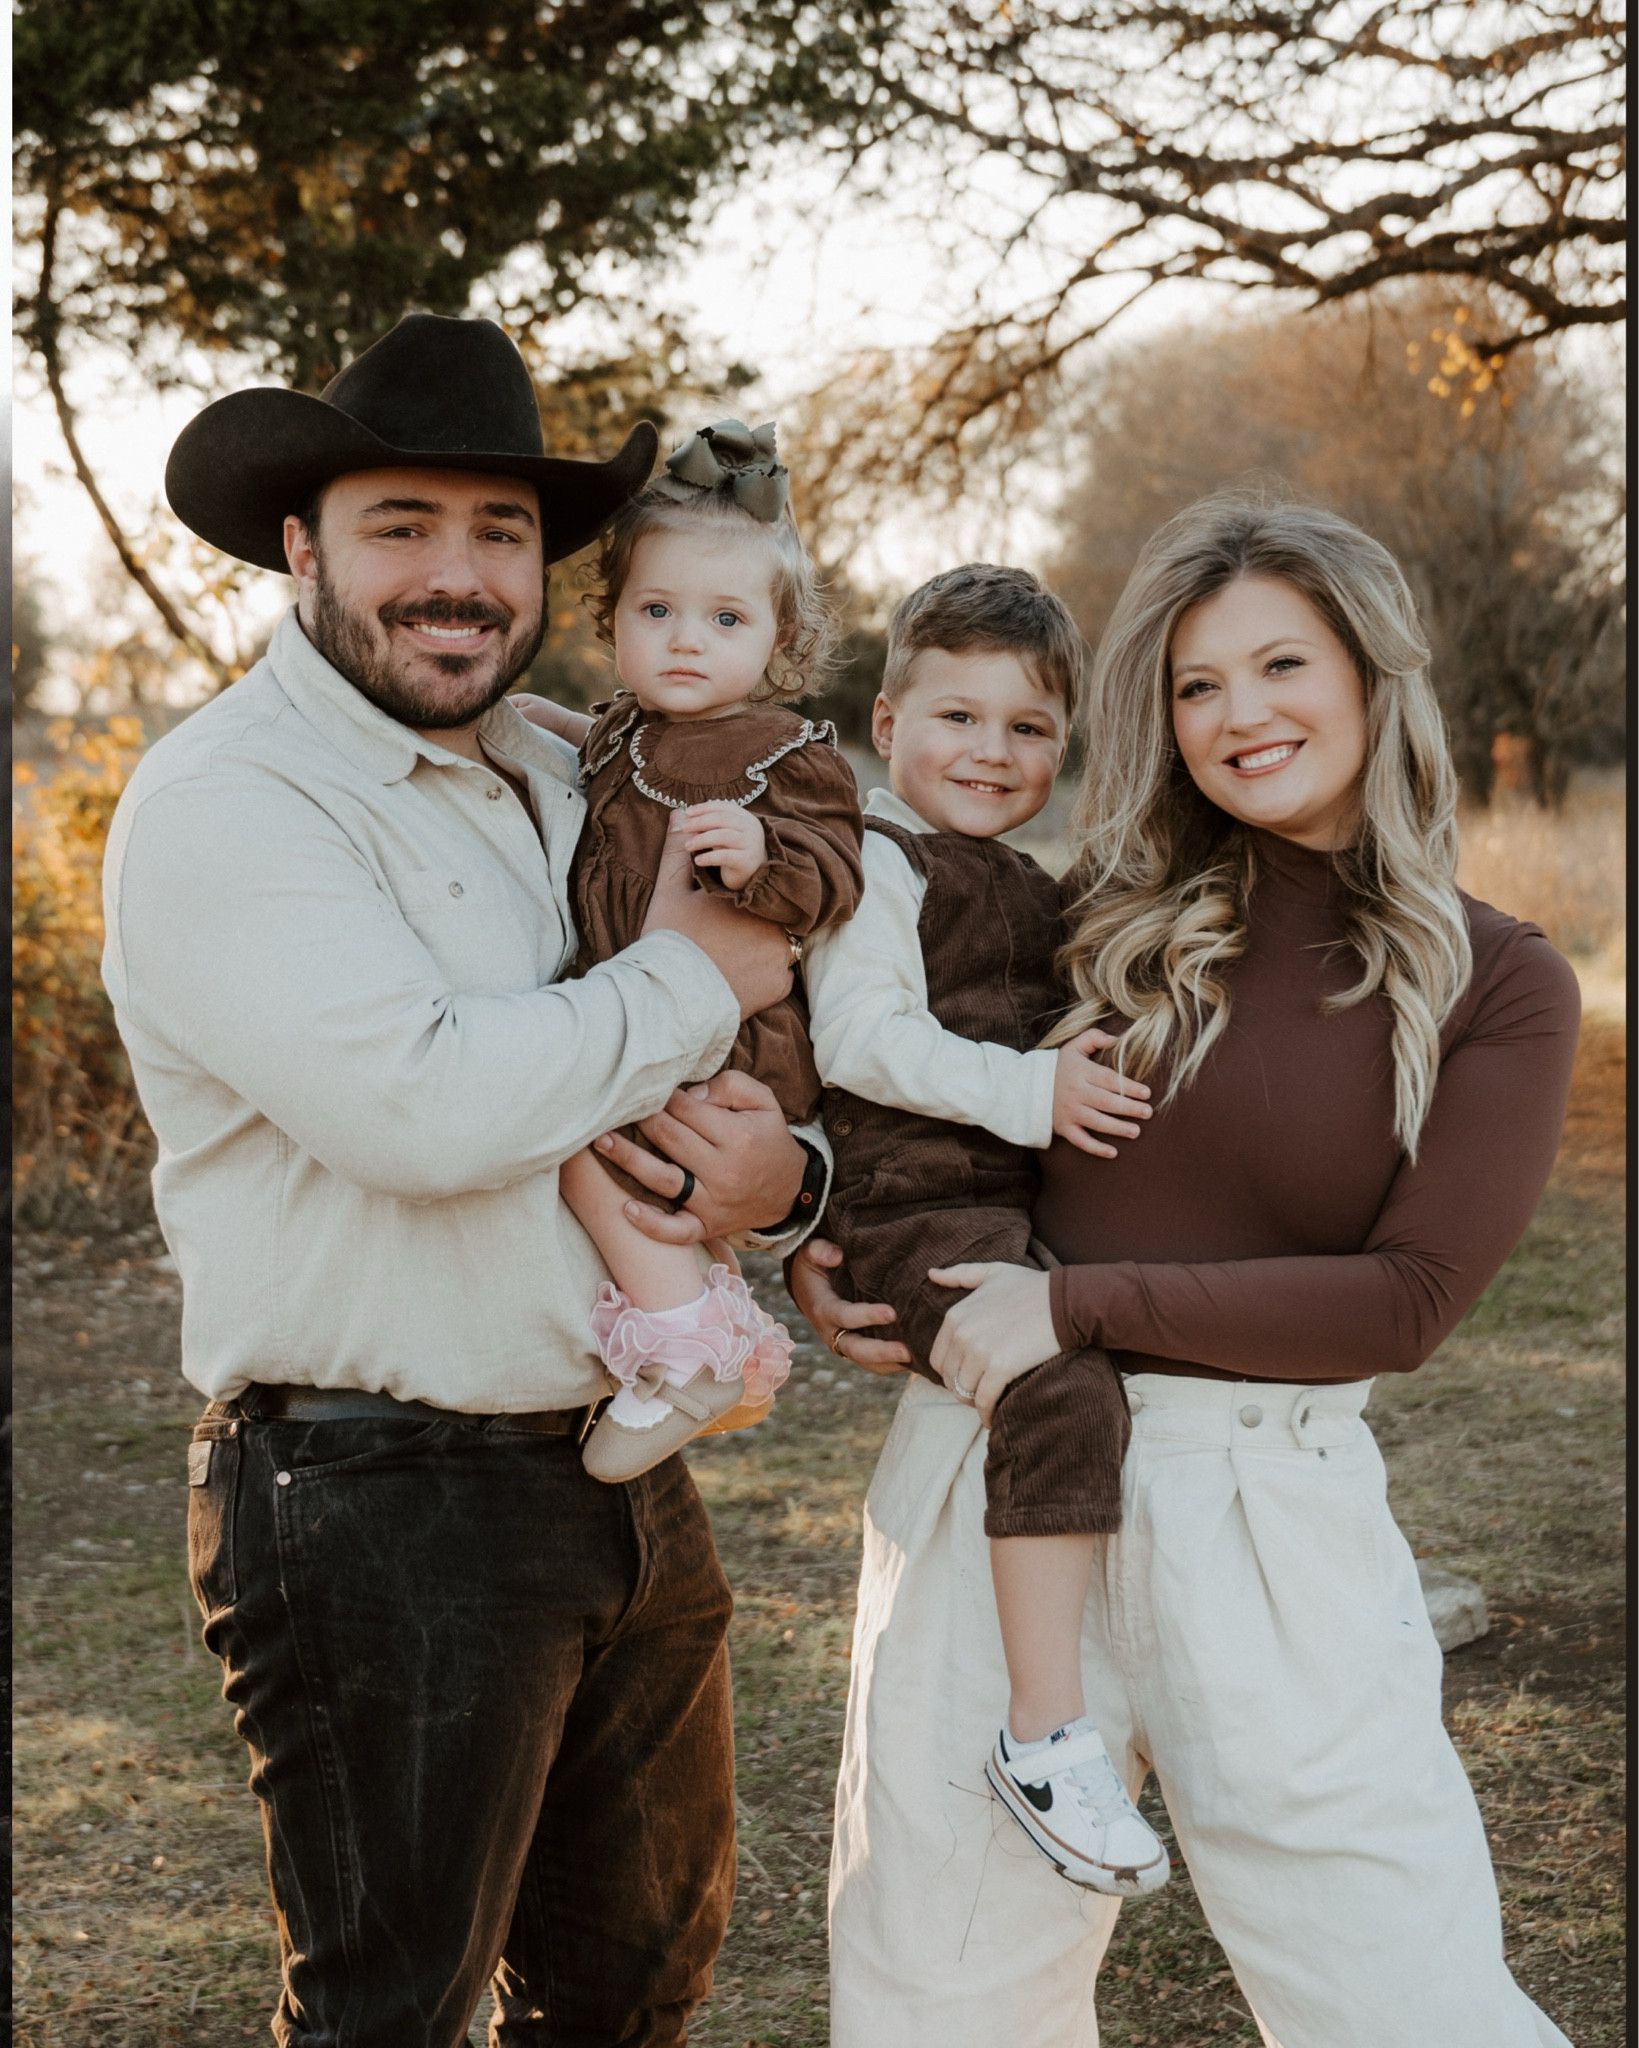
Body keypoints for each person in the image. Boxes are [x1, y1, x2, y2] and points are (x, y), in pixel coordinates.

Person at [103, 312, 828, 2047]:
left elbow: (758, 1020)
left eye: (499, 531)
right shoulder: (229, 799)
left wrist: (774, 1177)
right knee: (392, 2013)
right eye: (402, 525)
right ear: (302, 545)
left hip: (614, 1467)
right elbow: (424, 1108)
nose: (457, 574)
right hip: (376, 1491)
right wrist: (690, 976)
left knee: (630, 1991)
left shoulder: (555, 762)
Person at [792, 492, 1581, 2047]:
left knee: (1397, 1994)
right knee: (941, 1994)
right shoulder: (1085, 921)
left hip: (1264, 1509)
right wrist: (815, 1252)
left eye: (1280, 665)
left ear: (1369, 675)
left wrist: (1076, 1305)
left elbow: (1407, 1300)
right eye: (1195, 684)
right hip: (993, 1481)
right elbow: (888, 1091)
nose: (1239, 716)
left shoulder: (1497, 982)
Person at [802, 563, 1166, 1894]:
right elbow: (859, 1038)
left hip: (996, 1205)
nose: (989, 752)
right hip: (910, 1209)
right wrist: (1035, 1092)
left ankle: (1148, 1693)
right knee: (1060, 1394)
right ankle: (1042, 1735)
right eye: (957, 717)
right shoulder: (873, 869)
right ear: (885, 722)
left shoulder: (1024, 878)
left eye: (1025, 730)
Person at [513, 419, 864, 1480]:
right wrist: (538, 721)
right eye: (655, 610)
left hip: (733, 1037)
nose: (685, 639)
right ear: (612, 618)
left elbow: (839, 865)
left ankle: (688, 1353)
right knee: (620, 1161)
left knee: (581, 1143)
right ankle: (702, 1331)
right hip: (658, 1014)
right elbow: (614, 763)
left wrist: (765, 855)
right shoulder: (626, 725)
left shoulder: (779, 752)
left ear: (778, 638)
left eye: (723, 617)